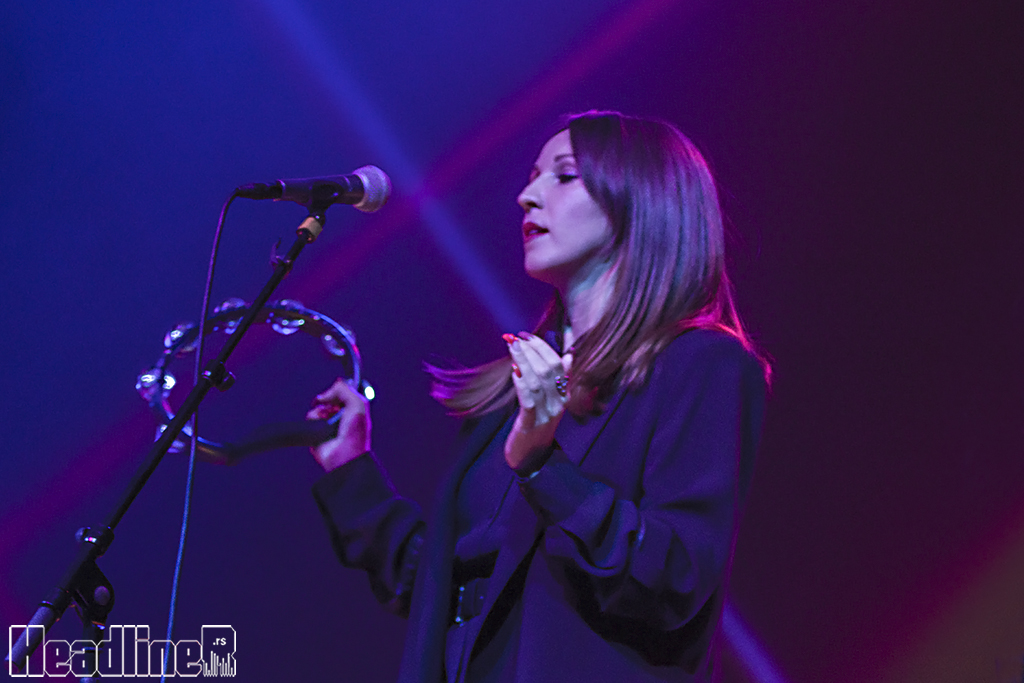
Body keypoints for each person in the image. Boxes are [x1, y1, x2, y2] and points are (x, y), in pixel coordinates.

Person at [306, 110, 769, 683]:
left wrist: (543, 466)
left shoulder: (701, 365)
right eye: (531, 177)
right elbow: (437, 588)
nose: (526, 196)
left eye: (564, 175)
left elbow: (672, 580)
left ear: (641, 199)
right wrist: (351, 473)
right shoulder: (516, 388)